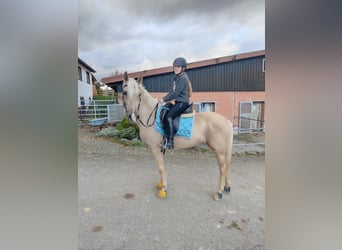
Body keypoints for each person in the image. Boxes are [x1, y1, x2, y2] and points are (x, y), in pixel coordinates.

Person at [159, 57, 192, 149]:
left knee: (169, 116)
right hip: (177, 101)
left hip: (182, 102)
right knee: (164, 110)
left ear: (183, 68)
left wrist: (164, 99)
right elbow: (171, 91)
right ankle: (166, 133)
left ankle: (170, 141)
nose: (176, 68)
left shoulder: (183, 78)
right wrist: (164, 98)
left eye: (178, 66)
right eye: (175, 66)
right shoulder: (177, 77)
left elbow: (176, 93)